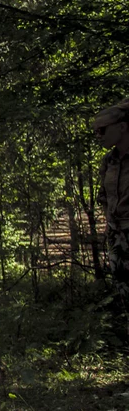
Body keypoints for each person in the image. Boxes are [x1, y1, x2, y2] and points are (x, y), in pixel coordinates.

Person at [94, 99, 129, 340]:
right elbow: (104, 198)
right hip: (117, 237)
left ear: (122, 127)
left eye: (103, 129)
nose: (99, 135)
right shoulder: (109, 161)